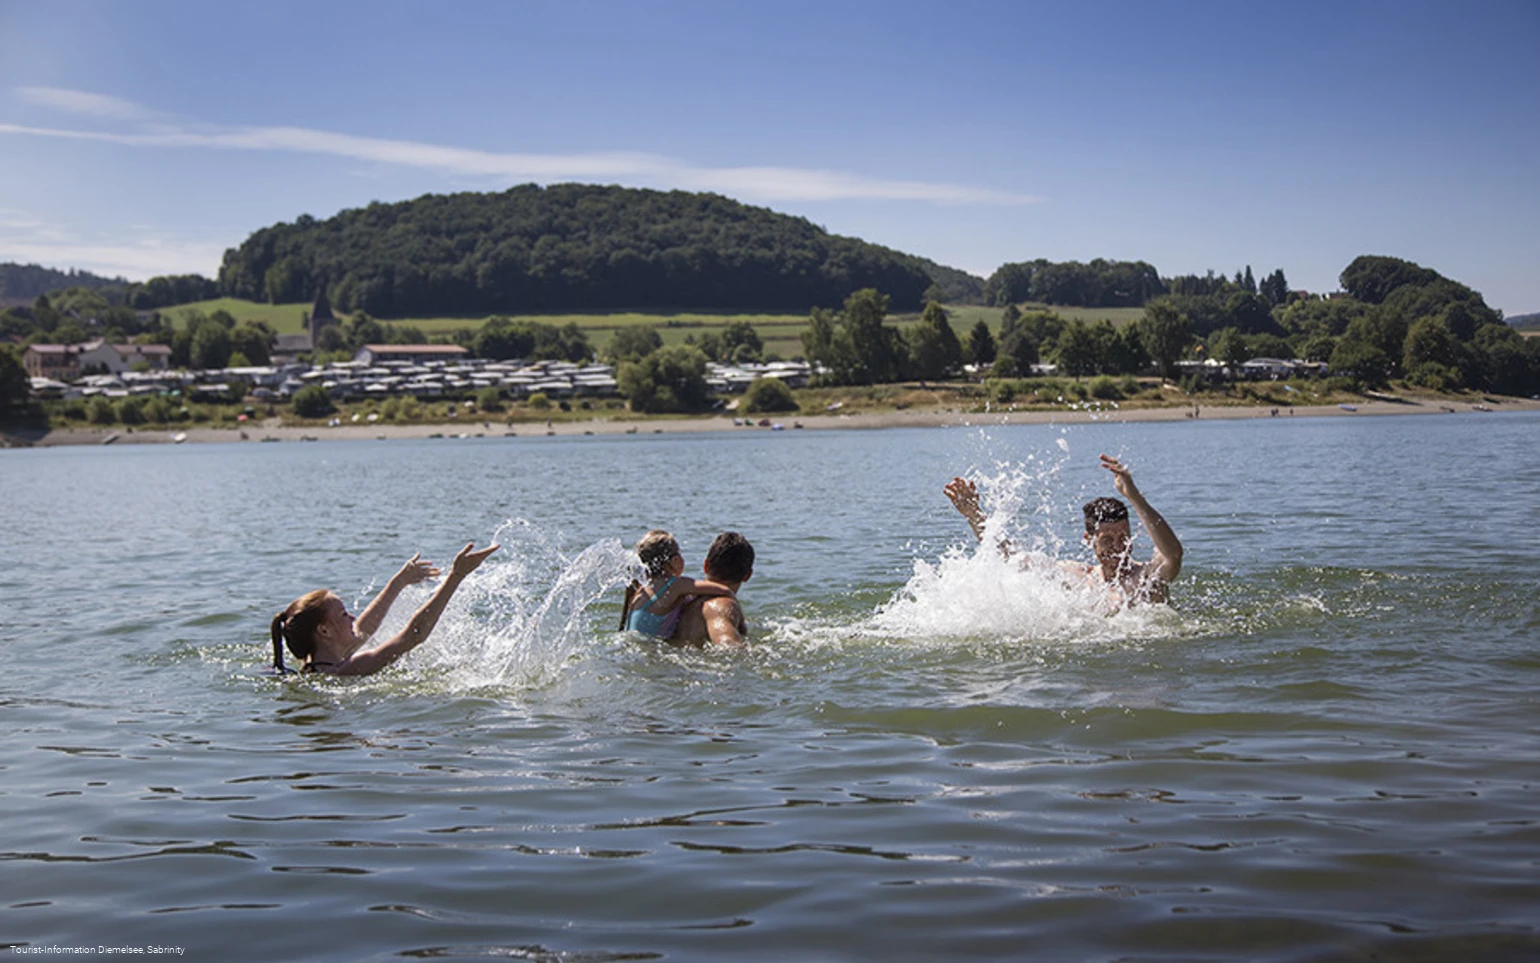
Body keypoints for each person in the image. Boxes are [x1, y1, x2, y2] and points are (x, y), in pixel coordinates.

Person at [945, 454, 1183, 604]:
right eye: (1108, 539)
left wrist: (1135, 498)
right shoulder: (1077, 577)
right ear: (1089, 540)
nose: (1119, 547)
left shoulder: (1146, 578)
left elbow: (1173, 554)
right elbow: (1010, 558)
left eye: (1124, 537)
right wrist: (974, 515)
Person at [270, 541, 499, 675]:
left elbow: (363, 630)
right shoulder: (348, 670)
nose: (352, 617)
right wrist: (456, 576)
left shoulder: (313, 666)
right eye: (343, 614)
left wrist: (399, 582)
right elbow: (414, 635)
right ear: (324, 631)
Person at [620, 530, 735, 638]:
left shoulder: (641, 589)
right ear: (675, 561)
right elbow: (724, 590)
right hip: (650, 651)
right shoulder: (674, 585)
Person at [671, 531, 755, 647]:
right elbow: (728, 645)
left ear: (705, 565)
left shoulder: (684, 601)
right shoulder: (721, 605)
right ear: (748, 575)